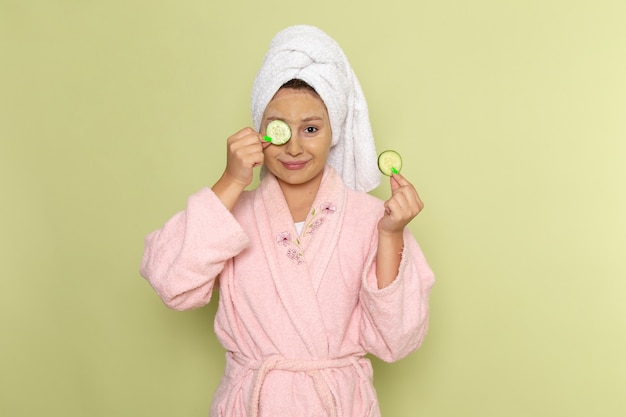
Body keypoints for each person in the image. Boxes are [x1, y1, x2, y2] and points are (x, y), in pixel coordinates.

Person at [140, 25, 434, 417]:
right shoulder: (231, 213)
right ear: (259, 133)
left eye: (311, 129)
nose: (294, 147)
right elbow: (170, 284)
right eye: (279, 130)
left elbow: (395, 341)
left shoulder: (372, 219)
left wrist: (392, 234)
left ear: (334, 132)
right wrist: (230, 181)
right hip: (254, 403)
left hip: (336, 404)